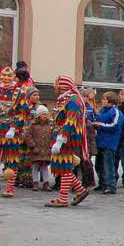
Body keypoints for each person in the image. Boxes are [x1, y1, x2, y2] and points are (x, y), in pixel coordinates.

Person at [0, 66, 30, 197]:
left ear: (13, 78)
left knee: (11, 159)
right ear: (0, 77)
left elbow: (23, 112)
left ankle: (10, 187)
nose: (6, 78)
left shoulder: (20, 93)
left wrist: (14, 128)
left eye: (9, 76)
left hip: (10, 131)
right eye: (4, 76)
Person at [46, 75, 90, 207]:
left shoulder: (73, 100)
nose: (55, 87)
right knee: (63, 166)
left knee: (64, 166)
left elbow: (71, 121)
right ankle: (80, 191)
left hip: (67, 138)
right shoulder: (64, 99)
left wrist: (61, 139)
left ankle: (63, 198)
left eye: (57, 84)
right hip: (62, 136)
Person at [93, 91, 124, 195]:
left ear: (110, 101)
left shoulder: (115, 112)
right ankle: (102, 183)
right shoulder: (102, 110)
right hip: (100, 141)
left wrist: (100, 125)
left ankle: (110, 185)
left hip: (110, 142)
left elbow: (114, 126)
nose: (102, 101)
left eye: (104, 99)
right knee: (98, 165)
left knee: (108, 165)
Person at [27, 105, 53, 191]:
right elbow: (28, 136)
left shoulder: (49, 126)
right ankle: (35, 182)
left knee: (45, 167)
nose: (44, 116)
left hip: (46, 150)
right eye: (43, 114)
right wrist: (33, 146)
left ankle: (46, 182)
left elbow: (52, 137)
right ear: (38, 115)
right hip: (36, 149)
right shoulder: (33, 125)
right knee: (35, 166)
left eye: (46, 114)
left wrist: (51, 146)